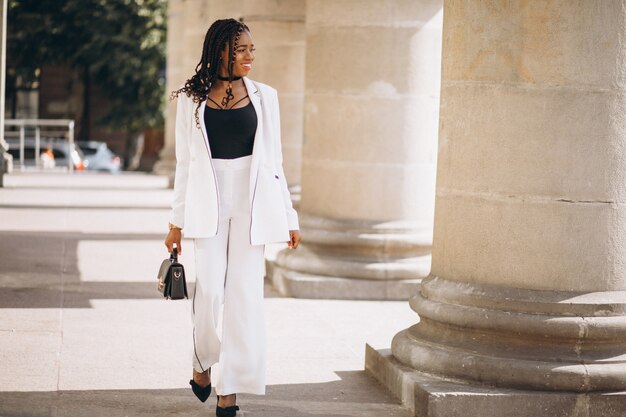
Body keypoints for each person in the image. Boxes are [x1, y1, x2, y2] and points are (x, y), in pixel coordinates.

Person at [164, 18, 301, 417]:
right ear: (220, 49)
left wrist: (289, 215)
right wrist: (176, 222)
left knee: (243, 298)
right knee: (210, 294)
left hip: (253, 205)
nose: (250, 56)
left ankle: (231, 390)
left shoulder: (265, 97)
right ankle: (202, 362)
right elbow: (185, 164)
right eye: (241, 49)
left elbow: (275, 161)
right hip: (208, 203)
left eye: (252, 49)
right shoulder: (192, 99)